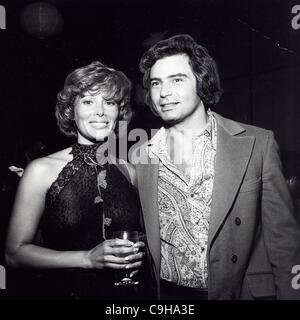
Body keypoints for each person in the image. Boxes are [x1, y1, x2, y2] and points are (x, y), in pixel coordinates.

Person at [134, 34, 300, 300]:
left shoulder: (256, 143)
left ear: (202, 82)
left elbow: (283, 240)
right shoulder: (141, 154)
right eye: (156, 83)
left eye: (177, 80)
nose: (164, 93)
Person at [5, 61, 151, 299]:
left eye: (110, 102)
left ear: (119, 111)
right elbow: (14, 254)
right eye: (88, 101)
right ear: (71, 111)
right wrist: (86, 259)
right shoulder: (41, 170)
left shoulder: (129, 171)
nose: (100, 111)